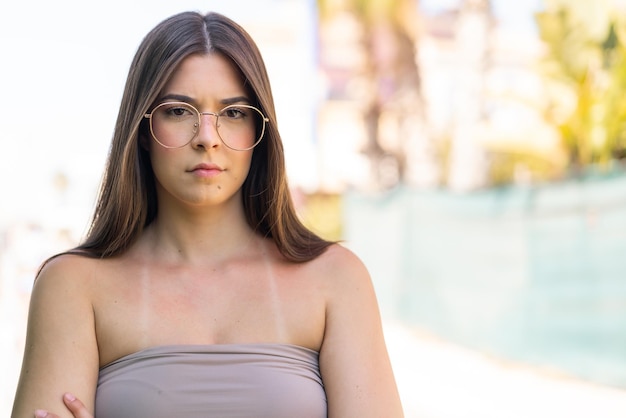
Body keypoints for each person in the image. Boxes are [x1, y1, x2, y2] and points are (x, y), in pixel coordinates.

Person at [11, 10, 404, 418]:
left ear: (258, 132)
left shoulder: (336, 279)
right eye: (179, 111)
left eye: (234, 113)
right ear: (143, 128)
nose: (206, 138)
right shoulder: (72, 287)